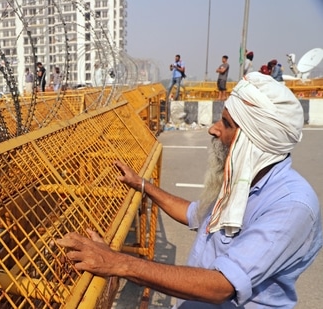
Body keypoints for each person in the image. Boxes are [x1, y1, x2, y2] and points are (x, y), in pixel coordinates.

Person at [57, 72, 322, 308]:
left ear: (254, 141)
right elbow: (195, 214)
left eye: (227, 124)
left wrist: (117, 262)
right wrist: (142, 184)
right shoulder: (244, 182)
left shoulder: (291, 206)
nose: (213, 129)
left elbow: (221, 285)